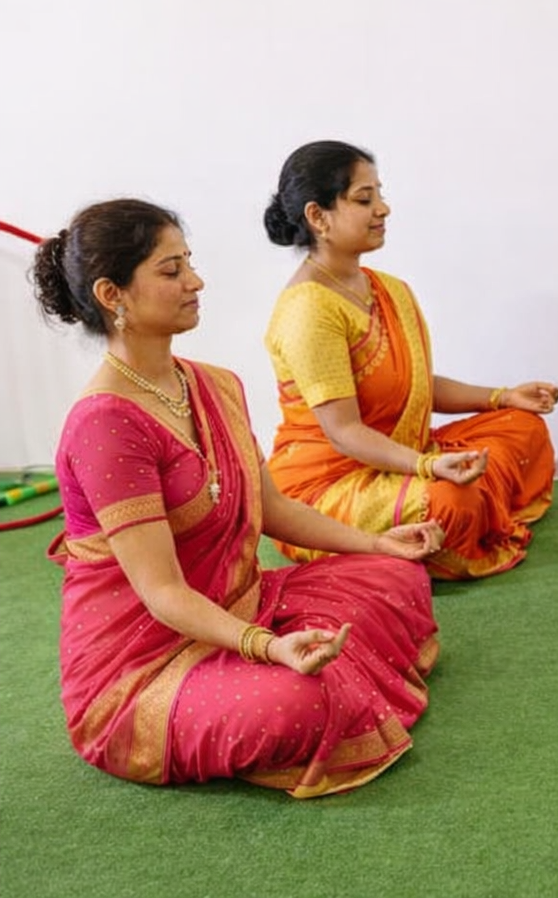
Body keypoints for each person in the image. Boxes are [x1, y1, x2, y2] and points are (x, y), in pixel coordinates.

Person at [31, 199, 442, 798]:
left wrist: (376, 543)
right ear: (111, 294)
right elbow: (163, 592)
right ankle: (294, 675)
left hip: (244, 602)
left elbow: (273, 509)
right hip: (143, 668)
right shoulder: (105, 425)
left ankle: (313, 655)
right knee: (300, 700)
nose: (195, 282)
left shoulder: (213, 384)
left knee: (394, 577)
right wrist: (268, 647)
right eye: (171, 271)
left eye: (189, 263)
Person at [262, 141, 558, 580]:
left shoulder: (389, 289)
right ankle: (450, 519)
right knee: (452, 502)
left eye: (379, 194)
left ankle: (468, 508)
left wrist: (503, 397)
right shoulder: (309, 310)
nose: (383, 209)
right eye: (364, 199)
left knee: (523, 426)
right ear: (318, 217)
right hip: (330, 483)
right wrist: (428, 467)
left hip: (406, 457)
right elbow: (343, 433)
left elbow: (415, 386)